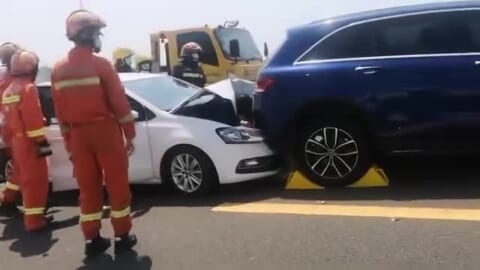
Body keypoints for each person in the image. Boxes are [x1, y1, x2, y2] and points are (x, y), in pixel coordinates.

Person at [50, 9, 137, 257]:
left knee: (88, 189)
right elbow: (119, 104)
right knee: (117, 185)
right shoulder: (101, 65)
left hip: (77, 136)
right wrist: (129, 133)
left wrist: (69, 143)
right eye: (97, 32)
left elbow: (60, 111)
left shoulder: (58, 69)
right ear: (90, 35)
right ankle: (122, 236)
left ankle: (92, 239)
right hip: (105, 132)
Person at [1, 50, 53, 232]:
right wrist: (42, 142)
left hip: (16, 140)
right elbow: (33, 120)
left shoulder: (8, 89)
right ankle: (34, 221)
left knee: (19, 176)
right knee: (36, 180)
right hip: (30, 142)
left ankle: (7, 201)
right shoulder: (29, 88)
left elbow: (6, 120)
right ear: (33, 68)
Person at [0, 42, 23, 217]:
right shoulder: (9, 79)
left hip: (9, 128)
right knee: (20, 167)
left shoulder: (5, 77)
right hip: (12, 128)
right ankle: (6, 200)